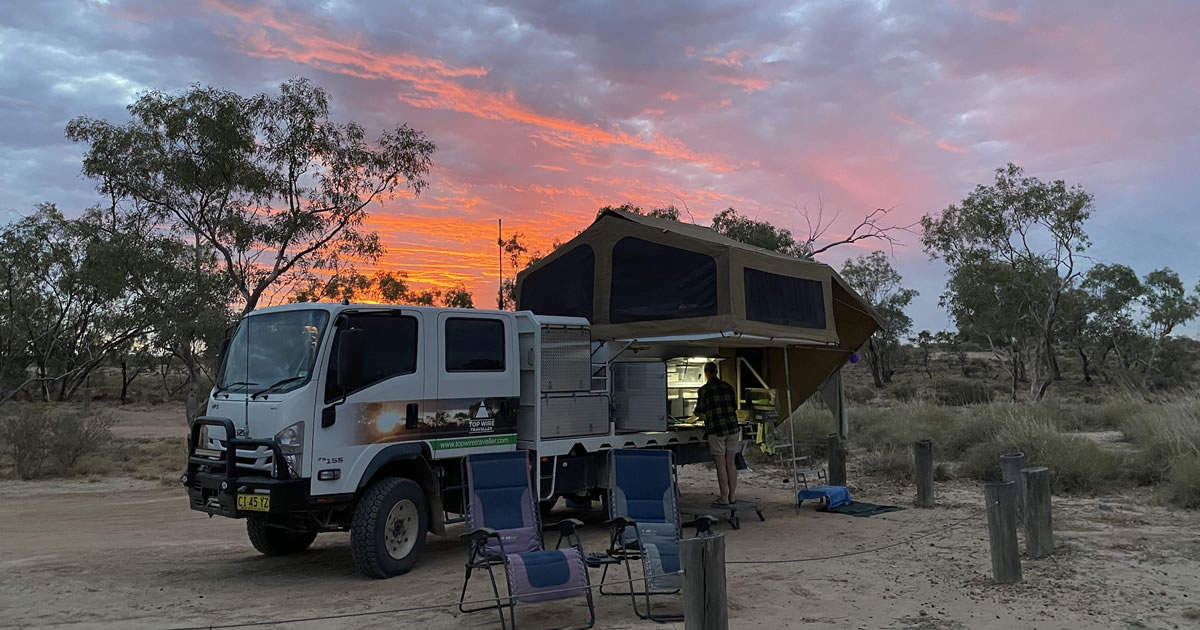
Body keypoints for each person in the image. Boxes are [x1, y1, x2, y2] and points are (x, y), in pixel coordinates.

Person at [695, 361, 741, 507]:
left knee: (720, 464)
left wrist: (700, 415)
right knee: (731, 463)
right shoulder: (728, 387)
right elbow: (734, 406)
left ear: (706, 372)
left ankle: (724, 498)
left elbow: (699, 411)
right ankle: (732, 496)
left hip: (716, 430)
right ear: (716, 371)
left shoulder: (704, 390)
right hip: (733, 429)